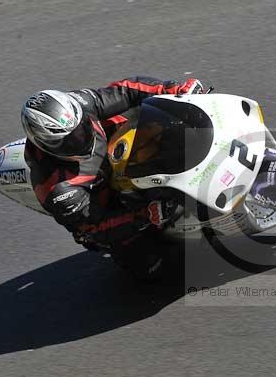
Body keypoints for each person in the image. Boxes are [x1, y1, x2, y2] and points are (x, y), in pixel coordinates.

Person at [20, 75, 206, 277]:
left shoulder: (77, 105)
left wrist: (173, 89)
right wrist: (145, 215)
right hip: (110, 206)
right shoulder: (58, 189)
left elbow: (124, 91)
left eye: (81, 128)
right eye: (70, 140)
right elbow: (97, 227)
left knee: (164, 117)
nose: (81, 138)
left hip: (120, 151)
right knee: (157, 268)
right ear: (46, 145)